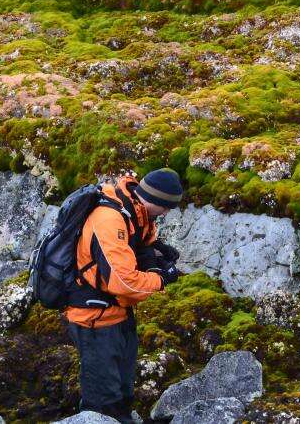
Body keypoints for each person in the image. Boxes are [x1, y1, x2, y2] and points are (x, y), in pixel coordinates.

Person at [64, 168, 184, 421]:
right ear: (157, 200)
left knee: (123, 392)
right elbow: (121, 282)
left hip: (118, 313)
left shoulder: (136, 212)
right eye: (166, 207)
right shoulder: (110, 219)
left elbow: (143, 245)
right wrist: (161, 279)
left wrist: (154, 258)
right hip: (94, 318)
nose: (166, 213)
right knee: (102, 401)